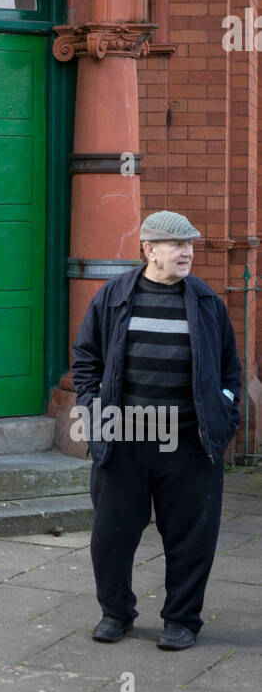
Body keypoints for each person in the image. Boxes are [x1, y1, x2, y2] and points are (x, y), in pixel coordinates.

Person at [71, 210, 242, 649]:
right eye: (176, 245)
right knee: (112, 534)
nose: (187, 252)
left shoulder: (206, 302)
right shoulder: (113, 296)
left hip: (189, 439)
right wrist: (92, 410)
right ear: (149, 250)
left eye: (190, 245)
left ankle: (182, 620)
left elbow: (229, 372)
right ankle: (116, 613)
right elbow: (86, 359)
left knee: (191, 535)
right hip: (124, 434)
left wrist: (224, 413)